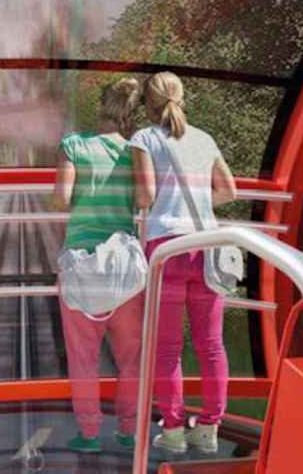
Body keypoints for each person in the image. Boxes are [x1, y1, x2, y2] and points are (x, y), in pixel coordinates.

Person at [130, 71, 237, 454]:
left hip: (166, 251)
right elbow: (227, 191)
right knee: (211, 345)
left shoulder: (143, 138)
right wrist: (201, 204)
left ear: (149, 103)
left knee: (168, 349)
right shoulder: (204, 139)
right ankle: (209, 427)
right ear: (182, 97)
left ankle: (173, 431)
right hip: (206, 248)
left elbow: (145, 196)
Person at [52, 78, 144, 454]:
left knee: (83, 358)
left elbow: (61, 199)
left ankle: (89, 434)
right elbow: (143, 199)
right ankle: (129, 430)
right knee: (131, 358)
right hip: (124, 265)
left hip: (83, 265)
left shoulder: (74, 146)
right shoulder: (137, 151)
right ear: (130, 112)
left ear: (99, 106)